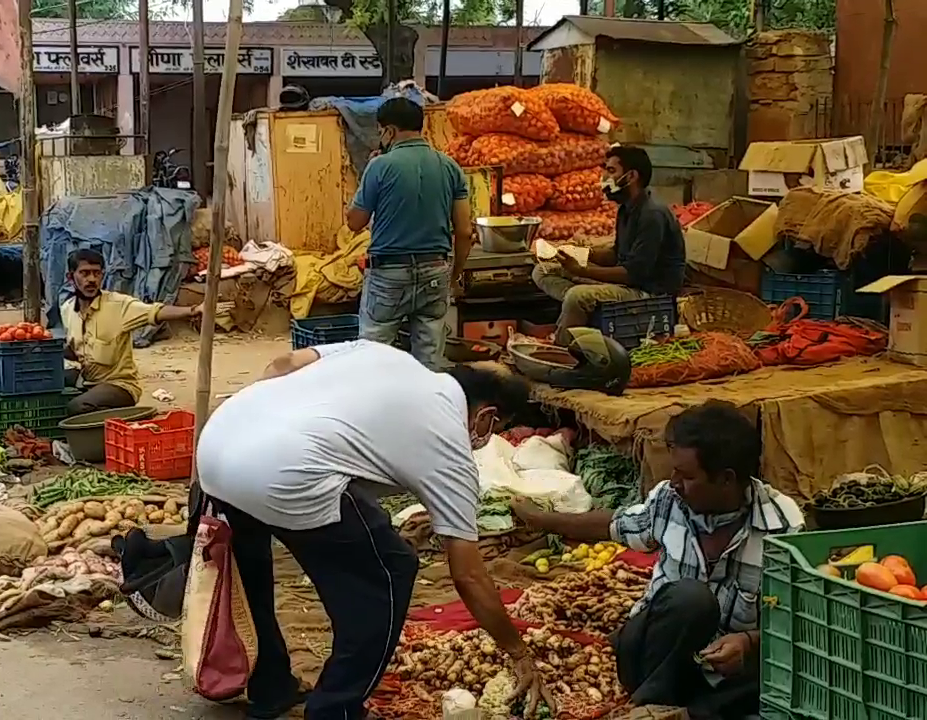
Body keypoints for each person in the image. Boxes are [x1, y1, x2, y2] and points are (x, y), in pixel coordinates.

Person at [197, 339, 555, 720]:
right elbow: (468, 575)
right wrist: (518, 652)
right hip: (285, 474)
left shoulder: (383, 354)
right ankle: (336, 710)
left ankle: (270, 685)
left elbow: (282, 364)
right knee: (389, 572)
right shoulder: (449, 441)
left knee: (252, 570)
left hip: (217, 446)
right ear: (487, 416)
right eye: (498, 428)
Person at [511, 400, 804, 720]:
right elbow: (613, 524)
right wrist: (540, 518)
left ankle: (681, 714)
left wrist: (749, 643)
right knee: (691, 598)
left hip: (724, 673)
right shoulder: (669, 500)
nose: (674, 482)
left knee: (795, 675)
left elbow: (798, 622)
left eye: (687, 475)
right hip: (651, 657)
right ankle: (652, 705)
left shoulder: (782, 525)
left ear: (726, 479)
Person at [346, 97, 473, 370]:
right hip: (435, 272)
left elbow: (355, 222)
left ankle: (375, 409)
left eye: (380, 131)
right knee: (429, 362)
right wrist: (454, 274)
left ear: (389, 131)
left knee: (372, 358)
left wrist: (367, 179)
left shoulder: (379, 166)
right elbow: (464, 231)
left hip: (388, 275)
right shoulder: (450, 167)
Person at [532, 145, 685, 343]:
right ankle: (586, 314)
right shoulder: (626, 209)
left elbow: (633, 273)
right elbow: (615, 255)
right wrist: (577, 253)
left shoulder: (652, 215)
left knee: (577, 296)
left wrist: (582, 271)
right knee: (543, 271)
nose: (604, 177)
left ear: (631, 177)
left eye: (611, 171)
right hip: (628, 283)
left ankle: (562, 347)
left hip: (649, 293)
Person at [59, 248, 201, 416]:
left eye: (96, 273)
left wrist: (192, 310)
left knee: (76, 407)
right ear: (71, 277)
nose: (91, 279)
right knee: (51, 382)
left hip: (119, 385)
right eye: (84, 273)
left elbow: (156, 311)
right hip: (88, 380)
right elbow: (74, 352)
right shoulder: (67, 309)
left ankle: (123, 417)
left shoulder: (118, 305)